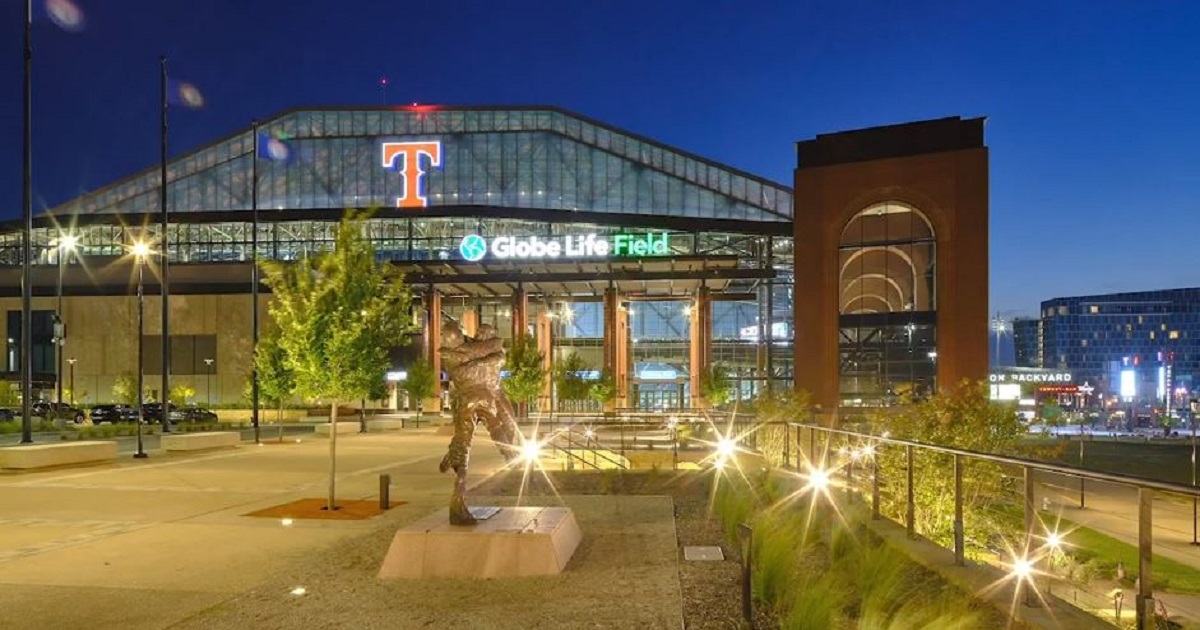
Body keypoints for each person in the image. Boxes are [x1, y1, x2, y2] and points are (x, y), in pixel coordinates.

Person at [438, 322, 519, 524]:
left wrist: (470, 358)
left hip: (471, 400)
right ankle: (511, 457)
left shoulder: (453, 356)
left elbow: (482, 358)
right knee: (504, 431)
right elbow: (495, 356)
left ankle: (511, 457)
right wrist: (482, 357)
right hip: (488, 399)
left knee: (470, 442)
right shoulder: (491, 352)